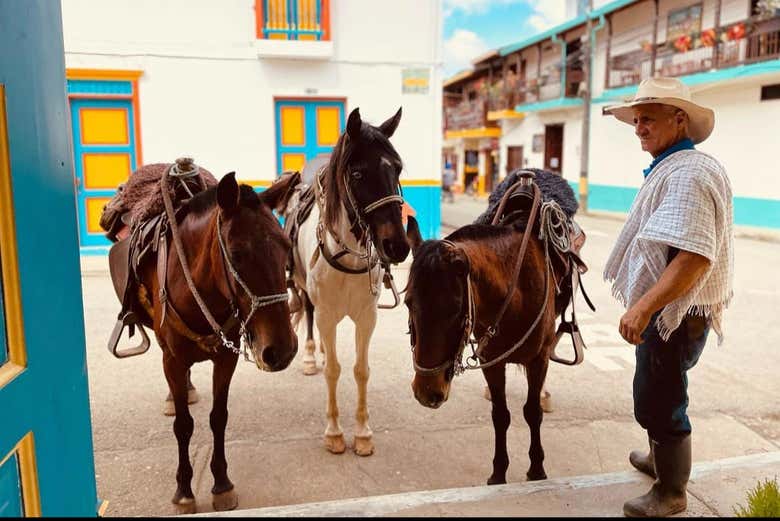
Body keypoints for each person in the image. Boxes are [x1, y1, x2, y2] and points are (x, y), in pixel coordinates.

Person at [602, 77, 734, 518]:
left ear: (680, 119)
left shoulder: (690, 173)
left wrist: (643, 306)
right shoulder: (673, 166)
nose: (639, 127)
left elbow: (695, 255)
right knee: (655, 388)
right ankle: (660, 455)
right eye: (636, 120)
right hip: (672, 308)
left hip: (675, 311)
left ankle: (671, 490)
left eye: (648, 118)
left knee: (661, 396)